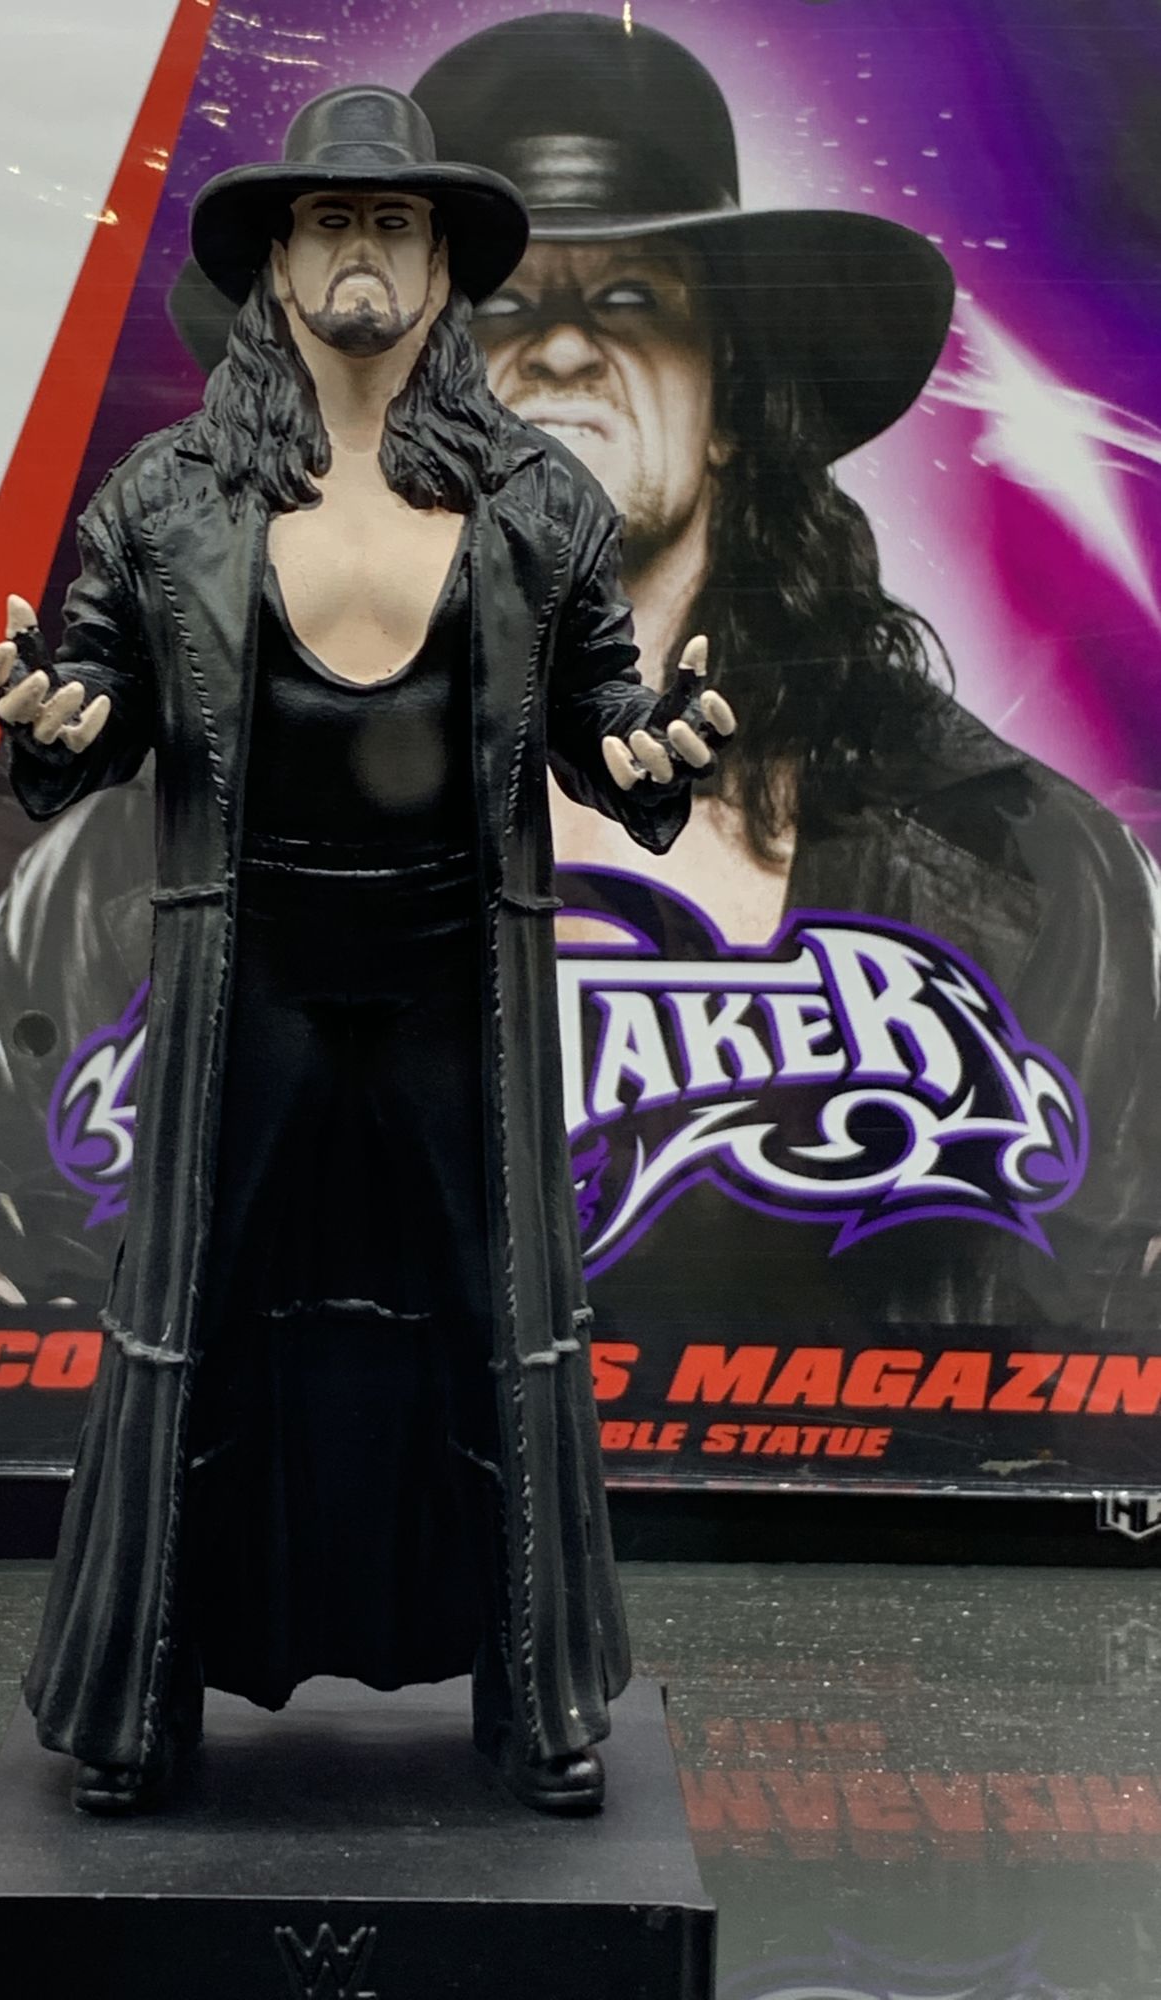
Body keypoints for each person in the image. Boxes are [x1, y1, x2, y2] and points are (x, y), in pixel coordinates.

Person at [0, 84, 733, 1815]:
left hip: (461, 975)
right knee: (190, 1323)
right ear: (281, 261)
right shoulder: (168, 497)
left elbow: (602, 720)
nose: (365, 252)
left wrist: (649, 752)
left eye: (396, 223)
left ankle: (540, 1701)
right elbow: (92, 708)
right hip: (253, 973)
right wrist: (52, 721)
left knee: (503, 1324)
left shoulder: (537, 497)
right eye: (334, 222)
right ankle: (136, 1711)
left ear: (443, 264)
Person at [408, 13, 1161, 1328]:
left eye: (631, 299)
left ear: (731, 411)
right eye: (500, 304)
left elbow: (1075, 1361)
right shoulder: (163, 847)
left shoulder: (1021, 871)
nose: (565, 349)